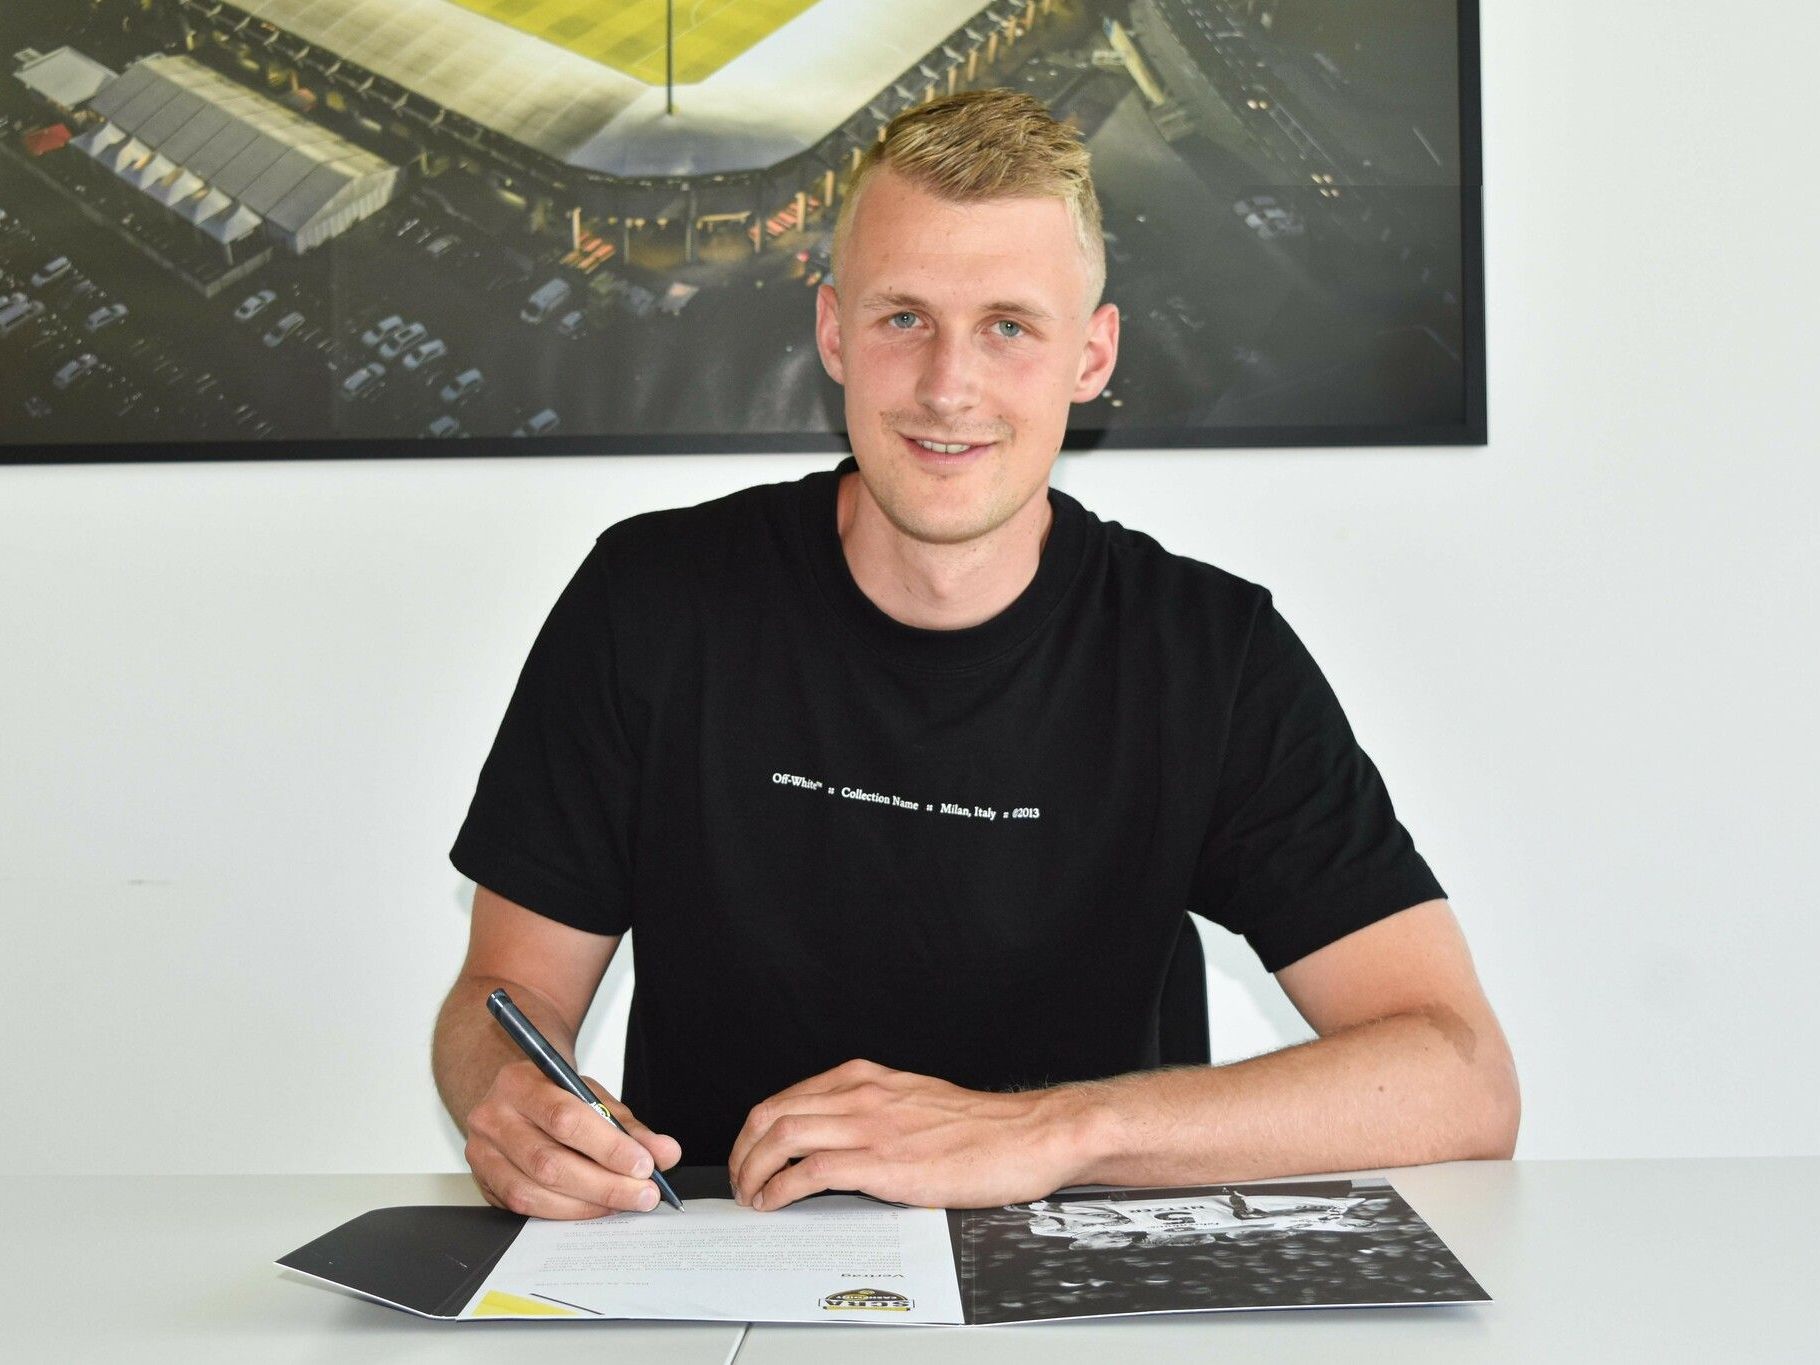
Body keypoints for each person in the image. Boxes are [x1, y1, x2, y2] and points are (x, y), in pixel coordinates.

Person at [432, 89, 1519, 1222]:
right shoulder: (650, 600)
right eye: (904, 317)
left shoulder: (1208, 653)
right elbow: (499, 996)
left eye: (1008, 326)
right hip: (719, 1261)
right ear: (833, 334)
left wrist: (1049, 1132)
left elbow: (1461, 1078)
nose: (948, 387)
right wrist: (513, 1103)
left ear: (1091, 354)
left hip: (1078, 1277)